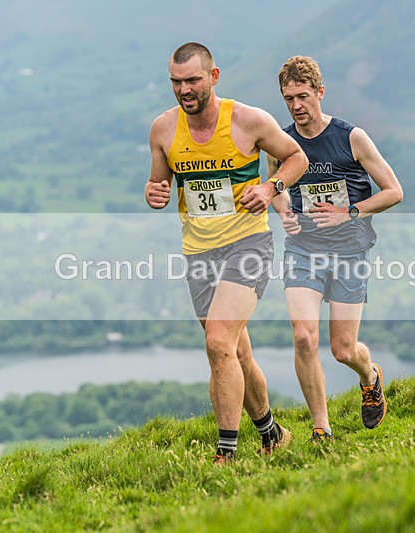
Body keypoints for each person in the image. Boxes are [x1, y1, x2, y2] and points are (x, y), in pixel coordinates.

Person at [145, 42, 309, 462]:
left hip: (248, 244)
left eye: (193, 80)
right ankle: (272, 433)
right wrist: (154, 191)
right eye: (176, 82)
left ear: (213, 77)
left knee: (218, 342)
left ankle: (226, 454)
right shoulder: (164, 130)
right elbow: (159, 185)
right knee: (235, 351)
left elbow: (296, 157)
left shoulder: (248, 120)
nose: (184, 90)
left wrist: (271, 187)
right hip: (198, 252)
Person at [267, 56, 403, 441]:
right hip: (303, 250)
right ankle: (321, 428)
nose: (296, 105)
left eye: (303, 96)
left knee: (343, 350)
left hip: (349, 252)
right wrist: (284, 213)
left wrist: (350, 212)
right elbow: (274, 188)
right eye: (288, 98)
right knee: (303, 337)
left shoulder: (352, 137)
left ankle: (370, 375)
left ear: (320, 93)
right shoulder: (280, 142)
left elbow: (395, 191)